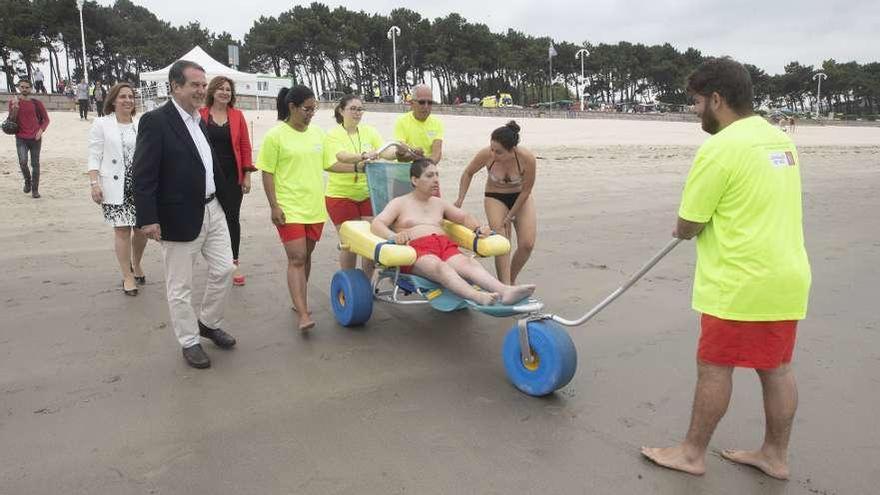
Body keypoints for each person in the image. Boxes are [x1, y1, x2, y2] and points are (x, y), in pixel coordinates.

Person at [640, 57, 811, 480]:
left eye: (697, 102)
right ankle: (775, 455)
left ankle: (692, 453)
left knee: (715, 366)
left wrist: (684, 227)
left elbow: (690, 223)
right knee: (777, 368)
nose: (696, 111)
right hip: (786, 276)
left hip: (739, 281)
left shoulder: (719, 148)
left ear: (717, 99)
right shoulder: (780, 140)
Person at [133, 60, 237, 369]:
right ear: (175, 86)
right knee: (180, 286)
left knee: (225, 269)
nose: (202, 90)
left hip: (212, 209)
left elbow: (207, 165)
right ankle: (189, 341)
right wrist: (148, 217)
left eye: (203, 85)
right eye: (195, 85)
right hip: (177, 215)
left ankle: (208, 321)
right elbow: (143, 174)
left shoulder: (198, 119)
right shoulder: (155, 121)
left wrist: (226, 200)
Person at [372, 159, 537, 306]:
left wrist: (478, 229)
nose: (436, 180)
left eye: (437, 175)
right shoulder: (399, 203)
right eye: (429, 176)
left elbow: (464, 217)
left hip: (444, 245)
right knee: (441, 268)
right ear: (415, 180)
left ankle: (504, 290)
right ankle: (478, 297)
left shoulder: (439, 203)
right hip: (415, 250)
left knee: (469, 264)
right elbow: (377, 223)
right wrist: (393, 237)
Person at [257, 86, 327, 331]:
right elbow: (267, 172)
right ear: (292, 107)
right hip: (289, 207)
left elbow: (331, 163)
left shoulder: (318, 134)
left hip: (315, 207)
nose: (311, 114)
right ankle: (304, 313)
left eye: (314, 109)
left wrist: (360, 165)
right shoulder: (275, 136)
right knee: (296, 257)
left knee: (306, 257)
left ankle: (299, 301)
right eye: (307, 109)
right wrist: (274, 206)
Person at [324, 94, 400, 279]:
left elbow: (385, 152)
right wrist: (363, 156)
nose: (357, 112)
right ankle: (350, 284)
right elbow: (340, 157)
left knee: (371, 240)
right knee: (350, 243)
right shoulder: (333, 134)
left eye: (360, 109)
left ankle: (365, 285)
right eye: (353, 108)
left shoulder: (369, 131)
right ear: (341, 110)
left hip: (367, 194)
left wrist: (400, 150)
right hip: (340, 196)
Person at [455, 121, 537, 285]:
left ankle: (511, 280)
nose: (493, 154)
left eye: (498, 152)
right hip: (495, 196)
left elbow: (526, 191)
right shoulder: (487, 154)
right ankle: (504, 286)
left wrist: (511, 215)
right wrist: (460, 198)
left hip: (520, 197)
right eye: (491, 149)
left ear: (512, 150)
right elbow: (468, 173)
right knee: (502, 242)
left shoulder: (527, 159)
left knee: (527, 244)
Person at [87, 82, 147, 296]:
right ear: (113, 100)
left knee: (141, 230)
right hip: (114, 186)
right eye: (122, 96)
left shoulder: (141, 123)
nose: (128, 100)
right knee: (122, 230)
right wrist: (94, 184)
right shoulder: (101, 123)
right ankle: (127, 276)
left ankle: (136, 264)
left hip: (140, 186)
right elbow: (94, 155)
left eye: (131, 96)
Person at [199, 76, 255, 286]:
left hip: (232, 175)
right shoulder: (200, 114)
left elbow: (245, 146)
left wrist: (247, 174)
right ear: (212, 91)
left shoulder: (237, 115)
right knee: (208, 219)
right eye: (221, 89)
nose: (225, 92)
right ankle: (215, 261)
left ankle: (233, 263)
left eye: (228, 90)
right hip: (207, 175)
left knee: (232, 218)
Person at [393, 84, 444, 195]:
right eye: (422, 102)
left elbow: (437, 155)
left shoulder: (437, 124)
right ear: (412, 103)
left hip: (429, 179)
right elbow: (400, 156)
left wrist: (417, 158)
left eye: (430, 102)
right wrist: (415, 156)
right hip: (404, 180)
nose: (426, 106)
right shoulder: (402, 122)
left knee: (434, 212)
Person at [8, 79, 50, 198]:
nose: (24, 89)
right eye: (22, 87)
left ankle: (35, 190)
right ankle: (27, 180)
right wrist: (15, 108)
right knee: (23, 162)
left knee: (35, 164)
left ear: (30, 89)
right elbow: (11, 121)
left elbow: (46, 120)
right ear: (18, 88)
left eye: (27, 87)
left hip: (35, 138)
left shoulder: (36, 103)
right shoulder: (13, 102)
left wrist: (41, 130)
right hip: (21, 137)